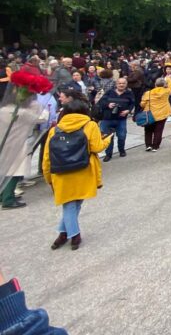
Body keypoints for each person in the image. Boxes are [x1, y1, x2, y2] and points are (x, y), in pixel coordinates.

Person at [42, 99, 111, 250]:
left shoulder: (55, 130)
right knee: (75, 203)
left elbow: (47, 157)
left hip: (61, 173)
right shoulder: (90, 125)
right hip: (83, 170)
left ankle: (62, 235)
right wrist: (107, 140)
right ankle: (74, 235)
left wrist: (48, 178)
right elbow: (97, 147)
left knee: (70, 204)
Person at [97, 77, 134, 161]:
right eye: (119, 83)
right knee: (107, 137)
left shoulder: (129, 93)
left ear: (126, 84)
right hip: (107, 119)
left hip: (121, 119)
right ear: (116, 84)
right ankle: (108, 154)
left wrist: (128, 110)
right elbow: (101, 102)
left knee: (122, 136)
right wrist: (108, 105)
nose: (121, 85)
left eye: (123, 83)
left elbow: (132, 103)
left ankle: (121, 150)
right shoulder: (110, 92)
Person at [139, 76, 171, 152]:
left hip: (150, 114)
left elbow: (142, 104)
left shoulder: (148, 93)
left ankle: (148, 145)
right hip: (162, 114)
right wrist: (168, 79)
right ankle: (155, 146)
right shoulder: (166, 91)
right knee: (158, 130)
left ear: (155, 84)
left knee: (148, 130)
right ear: (164, 84)